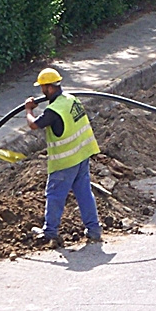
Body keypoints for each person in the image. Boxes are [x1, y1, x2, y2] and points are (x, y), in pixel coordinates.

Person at [25, 67, 103, 246]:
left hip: (66, 160)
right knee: (84, 192)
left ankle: (50, 232)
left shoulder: (54, 110)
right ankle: (94, 230)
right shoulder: (71, 99)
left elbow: (35, 125)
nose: (42, 92)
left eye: (43, 88)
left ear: (50, 88)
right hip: (82, 154)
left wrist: (28, 110)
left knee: (55, 195)